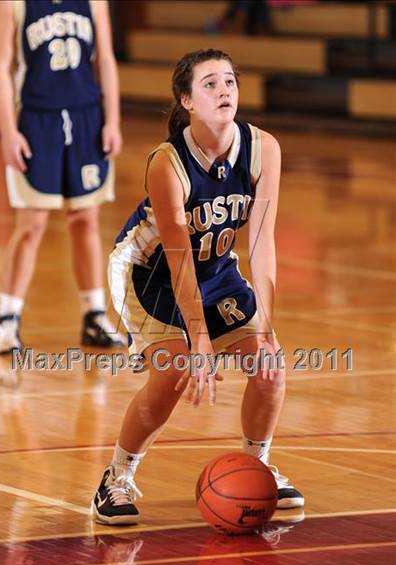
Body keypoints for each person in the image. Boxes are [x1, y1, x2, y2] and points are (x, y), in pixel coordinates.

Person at [91, 49, 304, 525]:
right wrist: (200, 340)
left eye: (229, 81)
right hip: (149, 272)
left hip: (215, 268)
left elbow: (262, 241)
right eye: (210, 84)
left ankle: (258, 464)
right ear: (186, 100)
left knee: (271, 367)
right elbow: (178, 256)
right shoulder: (167, 163)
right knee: (173, 372)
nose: (224, 90)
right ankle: (116, 477)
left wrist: (267, 325)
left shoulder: (263, 148)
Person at [0, 0, 126, 354]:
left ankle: (94, 314)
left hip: (86, 119)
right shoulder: (12, 3)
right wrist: (8, 132)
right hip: (37, 121)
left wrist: (112, 120)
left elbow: (106, 60)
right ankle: (7, 320)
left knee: (85, 220)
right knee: (31, 224)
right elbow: (2, 69)